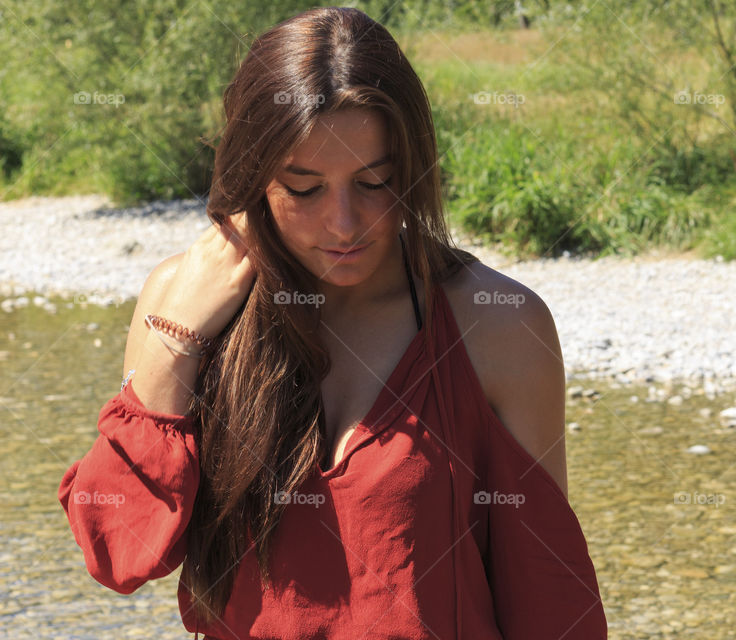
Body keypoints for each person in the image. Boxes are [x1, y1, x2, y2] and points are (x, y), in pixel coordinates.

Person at [57, 7, 606, 639]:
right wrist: (177, 340)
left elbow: (547, 598)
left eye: (375, 182)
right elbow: (119, 553)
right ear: (254, 174)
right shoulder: (180, 302)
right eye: (306, 188)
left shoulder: (497, 326)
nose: (344, 225)